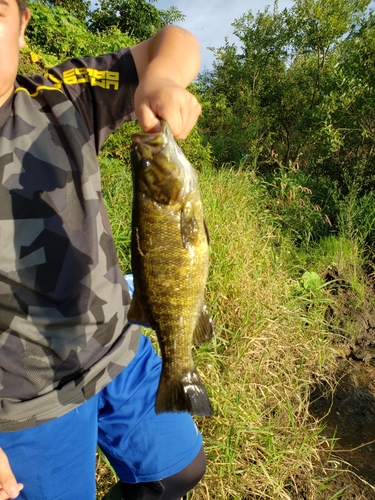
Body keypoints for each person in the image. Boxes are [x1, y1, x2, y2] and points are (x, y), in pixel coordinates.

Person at [0, 0, 206, 499]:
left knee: (180, 470)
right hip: (29, 398)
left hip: (116, 345)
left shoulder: (63, 97)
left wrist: (160, 81)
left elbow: (174, 41)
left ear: (24, 25)